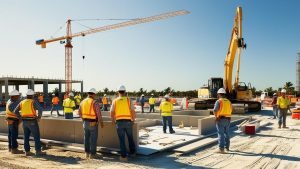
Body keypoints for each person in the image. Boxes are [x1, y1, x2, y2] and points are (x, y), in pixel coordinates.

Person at [14, 89, 45, 156]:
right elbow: (40, 109)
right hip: (32, 121)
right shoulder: (33, 101)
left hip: (24, 122)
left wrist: (20, 118)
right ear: (32, 95)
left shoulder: (22, 102)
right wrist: (39, 117)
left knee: (26, 137)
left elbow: (15, 111)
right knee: (36, 136)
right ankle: (38, 151)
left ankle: (27, 151)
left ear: (27, 95)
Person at [110, 85, 136, 162]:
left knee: (121, 139)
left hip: (119, 122)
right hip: (128, 121)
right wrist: (133, 120)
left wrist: (113, 120)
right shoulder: (128, 100)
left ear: (118, 92)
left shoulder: (115, 101)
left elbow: (111, 112)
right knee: (130, 137)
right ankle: (132, 153)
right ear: (125, 92)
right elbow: (133, 111)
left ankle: (123, 157)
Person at [79, 88, 104, 159]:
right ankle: (92, 154)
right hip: (93, 123)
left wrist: (84, 120)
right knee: (93, 138)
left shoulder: (82, 101)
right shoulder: (94, 102)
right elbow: (98, 114)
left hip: (85, 122)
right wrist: (101, 122)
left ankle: (87, 153)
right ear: (93, 94)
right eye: (95, 94)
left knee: (86, 138)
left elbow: (79, 113)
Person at [213, 88, 232, 153]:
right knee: (227, 133)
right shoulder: (229, 101)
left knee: (220, 134)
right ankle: (227, 148)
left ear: (219, 94)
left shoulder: (219, 101)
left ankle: (221, 149)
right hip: (228, 119)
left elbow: (215, 110)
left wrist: (216, 117)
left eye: (218, 94)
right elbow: (231, 110)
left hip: (220, 119)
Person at [5, 90, 22, 154]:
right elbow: (16, 112)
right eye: (17, 96)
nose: (18, 97)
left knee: (10, 135)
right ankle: (14, 149)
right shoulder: (13, 103)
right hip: (13, 120)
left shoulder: (9, 101)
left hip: (9, 120)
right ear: (14, 96)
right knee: (14, 135)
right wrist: (20, 118)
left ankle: (10, 148)